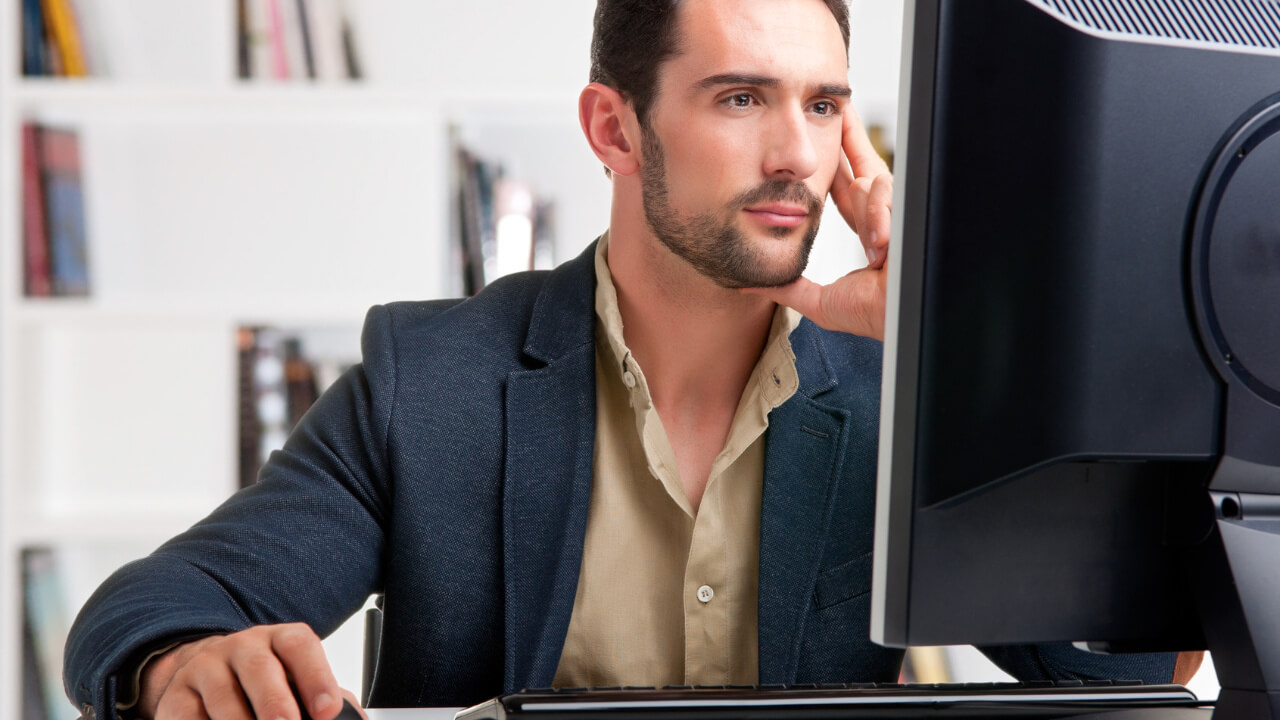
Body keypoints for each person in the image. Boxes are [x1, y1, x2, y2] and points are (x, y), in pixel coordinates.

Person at [65, 1, 1192, 719]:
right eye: (740, 97)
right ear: (613, 130)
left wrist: (963, 355)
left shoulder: (893, 392)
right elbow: (150, 609)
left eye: (824, 105)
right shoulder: (433, 382)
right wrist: (182, 663)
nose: (795, 152)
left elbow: (1128, 675)